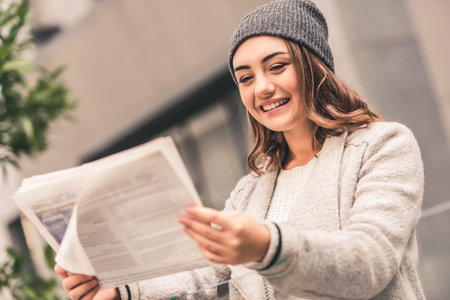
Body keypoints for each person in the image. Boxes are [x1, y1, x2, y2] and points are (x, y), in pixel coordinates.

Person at [54, 0, 426, 299]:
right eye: (245, 78)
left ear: (315, 67)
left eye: (277, 67)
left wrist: (267, 247)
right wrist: (122, 290)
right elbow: (203, 277)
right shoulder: (251, 190)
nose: (261, 87)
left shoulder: (381, 146)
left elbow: (369, 262)